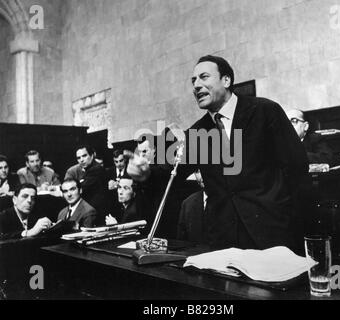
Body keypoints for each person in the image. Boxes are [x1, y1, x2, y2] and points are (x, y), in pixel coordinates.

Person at [127, 55, 308, 251]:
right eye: (193, 81)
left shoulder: (264, 111)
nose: (196, 85)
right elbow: (172, 172)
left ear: (226, 80)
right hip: (224, 241)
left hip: (273, 235)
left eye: (204, 77)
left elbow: (297, 168)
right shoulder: (199, 132)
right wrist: (145, 174)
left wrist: (292, 223)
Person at [65, 145, 106, 223]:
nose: (81, 160)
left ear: (92, 155)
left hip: (96, 212)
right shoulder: (89, 169)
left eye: (84, 156)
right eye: (78, 158)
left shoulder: (96, 169)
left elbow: (82, 188)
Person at [177, 170, 208, 244]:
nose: (201, 176)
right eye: (197, 172)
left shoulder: (232, 202)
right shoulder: (188, 203)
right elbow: (181, 242)